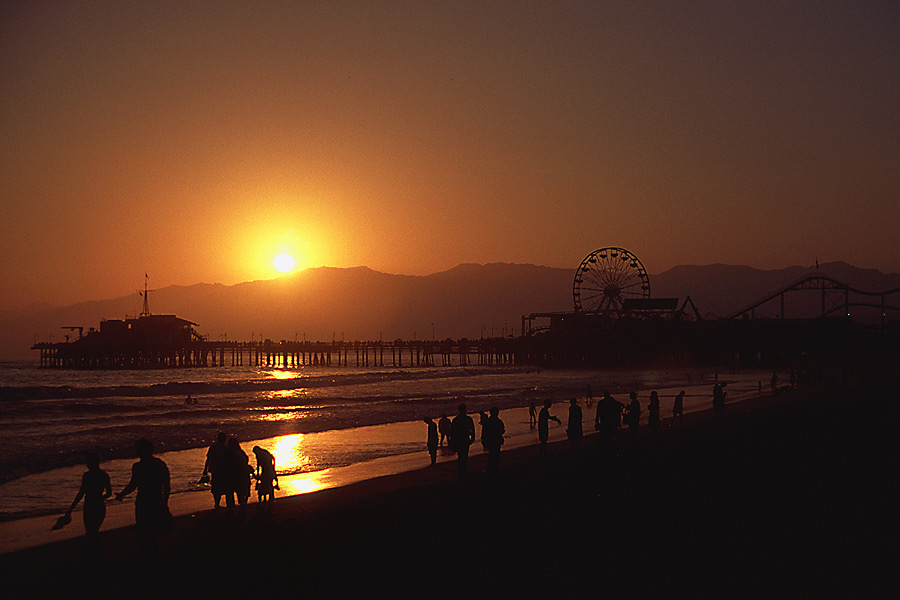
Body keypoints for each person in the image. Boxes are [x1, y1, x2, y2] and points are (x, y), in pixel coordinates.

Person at [116, 438, 171, 557]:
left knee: (144, 530)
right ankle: (153, 555)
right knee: (152, 531)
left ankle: (149, 555)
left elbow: (132, 485)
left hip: (143, 501)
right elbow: (166, 486)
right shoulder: (159, 464)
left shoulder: (138, 467)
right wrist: (164, 503)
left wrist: (122, 494)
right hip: (155, 500)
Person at [64, 451, 112, 562]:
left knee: (90, 532)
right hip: (99, 506)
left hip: (89, 506)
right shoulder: (104, 475)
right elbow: (109, 493)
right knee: (93, 531)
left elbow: (81, 493)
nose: (87, 464)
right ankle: (96, 556)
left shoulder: (87, 476)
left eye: (88, 462)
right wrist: (101, 498)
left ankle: (92, 557)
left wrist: (71, 509)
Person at [449, 403, 475, 479]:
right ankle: (463, 470)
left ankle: (461, 471)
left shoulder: (456, 419)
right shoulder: (468, 419)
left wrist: (452, 441)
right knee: (464, 456)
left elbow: (452, 432)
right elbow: (472, 430)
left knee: (460, 456)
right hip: (465, 439)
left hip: (459, 439)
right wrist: (472, 438)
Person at [202, 432, 228, 508]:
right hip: (223, 470)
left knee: (216, 487)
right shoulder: (225, 448)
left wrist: (205, 469)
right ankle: (220, 504)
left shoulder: (213, 447)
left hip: (215, 469)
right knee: (223, 487)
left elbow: (208, 459)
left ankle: (217, 503)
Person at [226, 437, 252, 509]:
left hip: (231, 474)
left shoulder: (227, 453)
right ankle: (242, 504)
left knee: (230, 492)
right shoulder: (240, 452)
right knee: (240, 491)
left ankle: (231, 507)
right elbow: (246, 460)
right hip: (241, 474)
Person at [482, 407, 505, 476]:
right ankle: (494, 469)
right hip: (496, 440)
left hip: (490, 440)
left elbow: (484, 432)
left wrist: (483, 441)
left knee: (491, 454)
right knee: (496, 455)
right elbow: (502, 430)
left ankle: (490, 469)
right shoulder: (499, 421)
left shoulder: (487, 422)